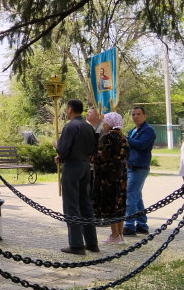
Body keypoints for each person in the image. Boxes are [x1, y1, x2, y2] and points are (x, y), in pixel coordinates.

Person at [54, 99, 98, 255]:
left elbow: (63, 149)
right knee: (85, 204)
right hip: (85, 166)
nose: (66, 111)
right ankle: (92, 243)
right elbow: (93, 148)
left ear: (70, 109)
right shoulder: (88, 126)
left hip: (72, 167)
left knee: (71, 205)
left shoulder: (70, 126)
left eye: (67, 109)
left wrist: (57, 146)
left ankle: (76, 244)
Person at [91, 112, 129, 244]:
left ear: (110, 123)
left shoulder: (108, 137)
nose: (103, 124)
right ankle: (120, 234)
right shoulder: (122, 137)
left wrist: (91, 157)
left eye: (105, 121)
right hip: (121, 174)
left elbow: (102, 157)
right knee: (119, 204)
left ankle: (114, 235)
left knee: (111, 204)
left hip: (109, 176)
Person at [123, 106, 156, 236]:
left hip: (139, 167)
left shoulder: (148, 131)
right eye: (133, 114)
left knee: (130, 196)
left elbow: (141, 144)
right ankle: (142, 225)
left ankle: (129, 226)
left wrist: (125, 139)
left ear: (144, 116)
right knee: (137, 197)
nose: (135, 117)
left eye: (138, 114)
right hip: (131, 166)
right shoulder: (133, 130)